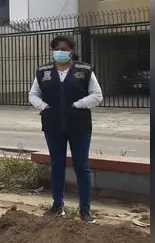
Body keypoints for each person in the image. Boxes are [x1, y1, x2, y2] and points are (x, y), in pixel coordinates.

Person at [28, 35, 103, 223]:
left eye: (64, 48)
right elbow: (33, 95)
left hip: (79, 127)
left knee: (81, 167)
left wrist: (78, 104)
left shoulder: (84, 70)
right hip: (53, 127)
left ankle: (85, 211)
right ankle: (57, 206)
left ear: (72, 50)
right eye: (56, 49)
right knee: (57, 166)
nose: (60, 52)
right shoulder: (44, 71)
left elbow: (97, 95)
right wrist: (44, 107)